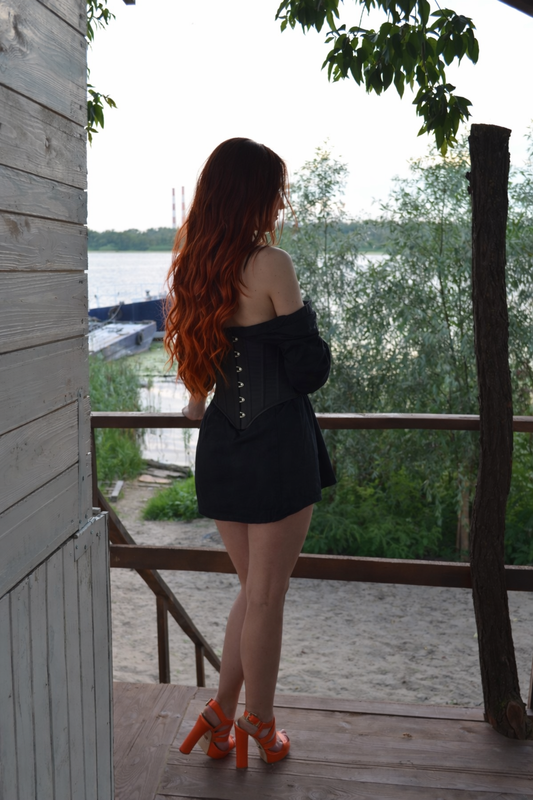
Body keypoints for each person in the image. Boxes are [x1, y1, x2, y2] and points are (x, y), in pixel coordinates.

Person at [164, 138, 335, 769]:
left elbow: (199, 382)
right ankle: (260, 724)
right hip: (277, 450)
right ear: (253, 195)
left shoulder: (194, 268)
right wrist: (306, 327)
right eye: (275, 192)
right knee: (265, 595)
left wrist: (194, 403)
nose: (280, 204)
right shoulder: (271, 264)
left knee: (252, 591)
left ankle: (221, 711)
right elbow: (310, 370)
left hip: (221, 449)